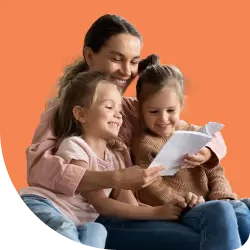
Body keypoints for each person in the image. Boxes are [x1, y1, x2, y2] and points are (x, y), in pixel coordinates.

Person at [24, 14, 232, 249]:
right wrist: (116, 179)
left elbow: (194, 129)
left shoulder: (133, 109)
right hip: (87, 212)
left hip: (110, 213)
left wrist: (206, 150)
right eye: (116, 59)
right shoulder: (61, 113)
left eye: (134, 62)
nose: (127, 71)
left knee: (231, 219)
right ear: (90, 56)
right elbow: (39, 169)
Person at [132, 63, 250, 246]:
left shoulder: (196, 134)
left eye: (170, 110)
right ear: (141, 109)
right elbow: (150, 187)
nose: (163, 119)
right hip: (184, 207)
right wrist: (183, 200)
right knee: (222, 211)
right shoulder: (145, 144)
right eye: (154, 111)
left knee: (241, 210)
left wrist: (222, 194)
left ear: (182, 104)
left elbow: (215, 170)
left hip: (212, 199)